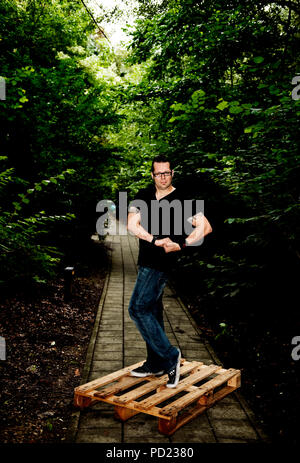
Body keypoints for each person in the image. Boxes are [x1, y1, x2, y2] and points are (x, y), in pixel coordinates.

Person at [127, 155, 213, 388]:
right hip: (146, 258)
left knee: (137, 308)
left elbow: (205, 226)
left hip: (161, 263)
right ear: (152, 175)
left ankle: (169, 355)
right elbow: (132, 224)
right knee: (152, 311)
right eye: (159, 173)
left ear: (172, 173)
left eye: (167, 173)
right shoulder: (143, 196)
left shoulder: (183, 199)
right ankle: (155, 362)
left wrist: (183, 243)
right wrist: (153, 239)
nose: (163, 177)